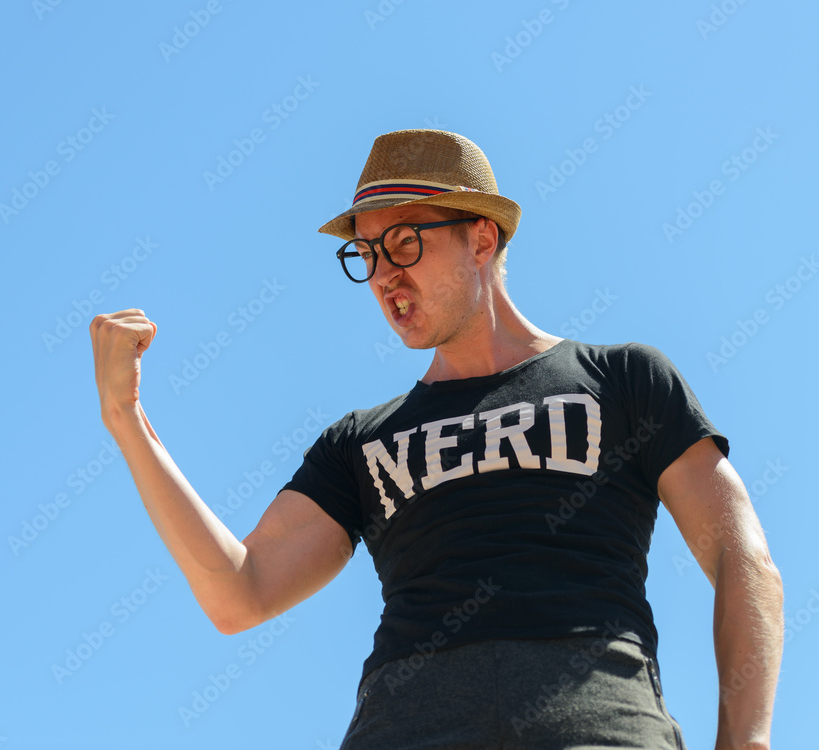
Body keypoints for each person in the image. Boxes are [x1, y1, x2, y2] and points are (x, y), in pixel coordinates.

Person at [89, 129, 783, 749]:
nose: (384, 274)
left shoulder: (624, 379)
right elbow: (240, 593)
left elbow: (741, 556)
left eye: (404, 243)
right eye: (367, 254)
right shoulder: (359, 442)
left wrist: (745, 743)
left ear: (481, 237)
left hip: (599, 721)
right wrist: (127, 419)